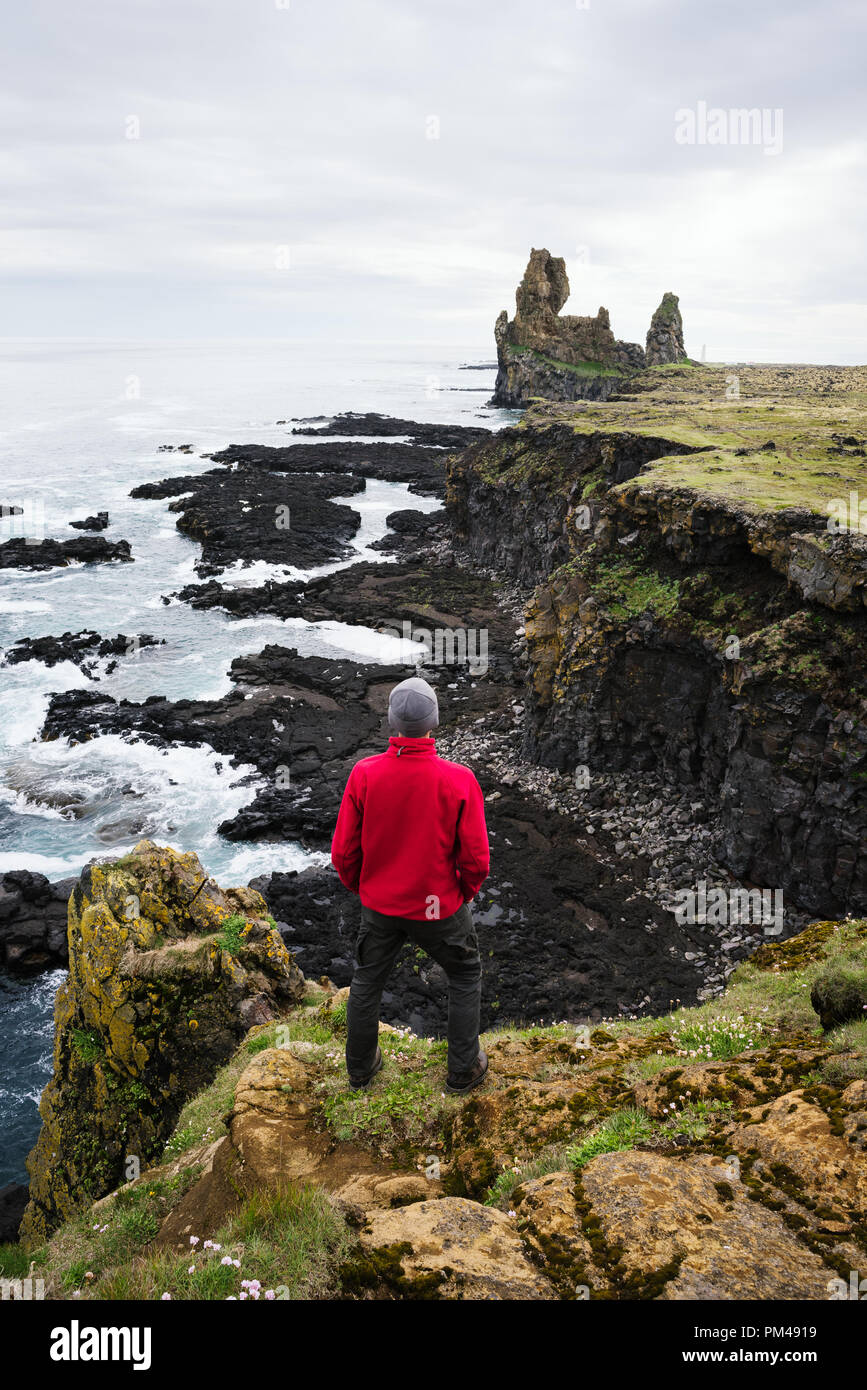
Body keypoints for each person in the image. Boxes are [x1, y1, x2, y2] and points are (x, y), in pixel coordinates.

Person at [330, 675, 490, 1093]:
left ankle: (361, 1070)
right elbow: (476, 860)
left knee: (367, 981)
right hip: (440, 907)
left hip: (381, 907)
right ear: (433, 723)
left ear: (391, 724)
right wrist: (461, 897)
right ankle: (462, 1069)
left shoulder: (364, 775)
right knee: (464, 973)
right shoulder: (459, 779)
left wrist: (367, 890)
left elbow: (343, 855)